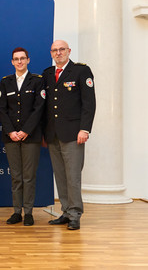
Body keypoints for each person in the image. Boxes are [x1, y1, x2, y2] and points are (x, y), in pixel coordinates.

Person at [43, 40, 95, 230]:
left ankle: (75, 214)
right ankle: (65, 211)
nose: (58, 53)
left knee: (73, 176)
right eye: (55, 50)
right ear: (51, 53)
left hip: (73, 134)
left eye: (62, 49)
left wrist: (85, 129)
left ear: (69, 51)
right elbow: (46, 107)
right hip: (53, 134)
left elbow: (89, 103)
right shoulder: (48, 74)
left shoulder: (81, 71)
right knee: (61, 175)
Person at [0, 47, 46, 226]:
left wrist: (25, 131)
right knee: (16, 176)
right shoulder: (6, 82)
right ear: (12, 62)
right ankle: (17, 211)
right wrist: (11, 131)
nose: (19, 62)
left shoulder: (37, 81)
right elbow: (2, 109)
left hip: (30, 136)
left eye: (22, 58)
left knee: (29, 176)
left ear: (28, 60)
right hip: (11, 136)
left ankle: (28, 212)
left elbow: (38, 108)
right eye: (16, 59)